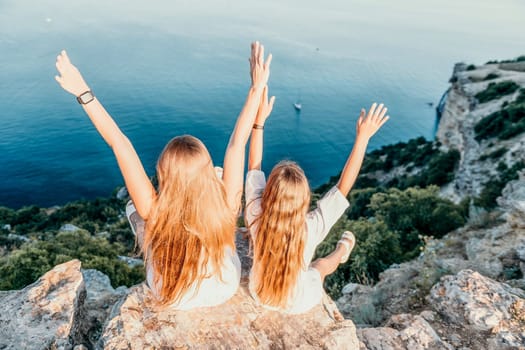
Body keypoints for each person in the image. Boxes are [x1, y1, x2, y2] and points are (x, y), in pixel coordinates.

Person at [55, 41, 272, 309]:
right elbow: (237, 144)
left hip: (170, 294)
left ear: (164, 171)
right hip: (223, 286)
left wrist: (83, 91)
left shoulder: (154, 210)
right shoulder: (226, 204)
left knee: (135, 208)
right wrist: (256, 88)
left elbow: (119, 142)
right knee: (215, 191)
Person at [245, 95, 389, 314]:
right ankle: (342, 250)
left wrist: (259, 122)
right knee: (321, 265)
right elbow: (343, 187)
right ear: (303, 199)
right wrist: (363, 139)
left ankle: (341, 249)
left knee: (313, 265)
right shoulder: (311, 227)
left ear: (269, 193)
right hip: (296, 302)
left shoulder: (255, 210)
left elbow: (254, 165)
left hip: (259, 293)